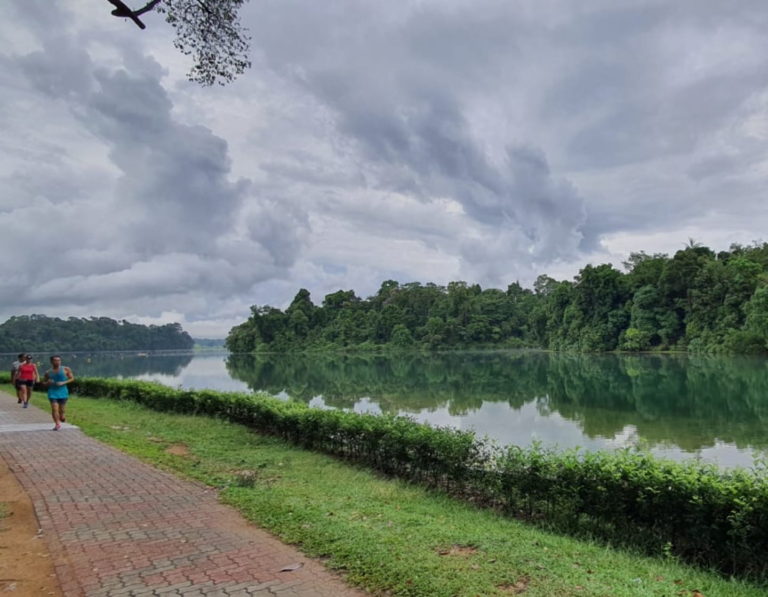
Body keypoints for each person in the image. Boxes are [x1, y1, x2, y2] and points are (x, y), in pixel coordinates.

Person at [43, 356, 74, 431]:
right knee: (54, 408)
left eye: (59, 360)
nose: (57, 362)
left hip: (63, 392)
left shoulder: (66, 369)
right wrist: (48, 382)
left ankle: (62, 416)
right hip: (52, 392)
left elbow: (72, 378)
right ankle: (57, 424)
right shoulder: (48, 372)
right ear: (51, 362)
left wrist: (63, 382)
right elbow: (44, 383)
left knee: (62, 411)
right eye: (55, 360)